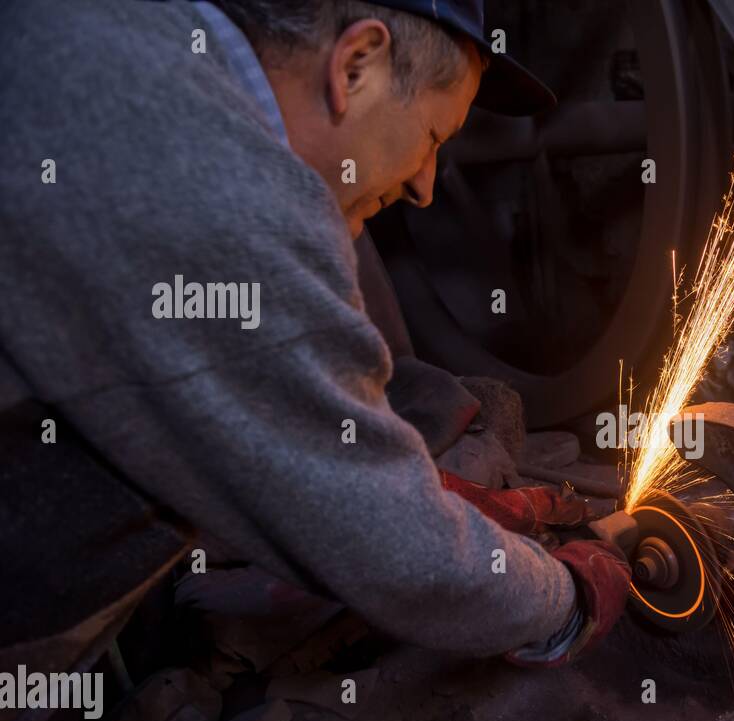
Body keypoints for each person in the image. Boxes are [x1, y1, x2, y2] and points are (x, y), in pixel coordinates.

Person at [0, 0, 631, 673]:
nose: (424, 186)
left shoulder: (131, 35)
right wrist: (563, 602)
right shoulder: (230, 199)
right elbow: (382, 544)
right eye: (433, 137)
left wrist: (390, 479)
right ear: (356, 63)